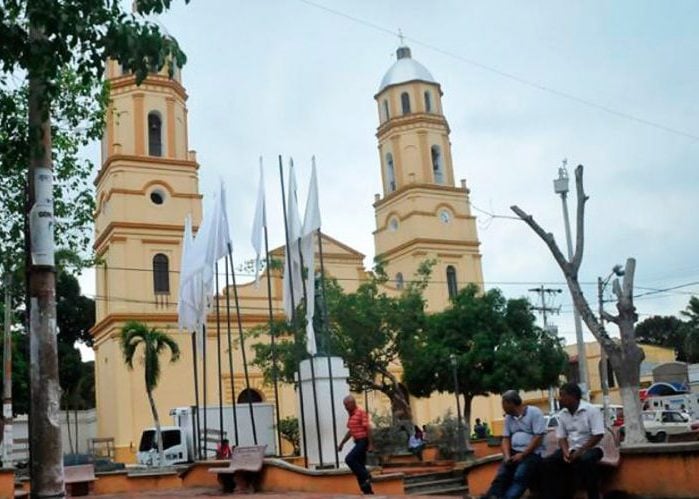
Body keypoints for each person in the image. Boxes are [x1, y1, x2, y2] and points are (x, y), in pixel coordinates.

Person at [542, 382, 606, 499]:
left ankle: (593, 495)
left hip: (593, 448)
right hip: (571, 448)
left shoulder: (591, 410)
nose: (560, 399)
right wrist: (566, 452)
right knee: (549, 463)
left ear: (573, 396)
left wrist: (580, 451)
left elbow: (598, 435)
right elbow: (561, 437)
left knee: (586, 461)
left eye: (563, 395)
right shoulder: (562, 414)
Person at [483, 390, 546, 499]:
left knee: (519, 476)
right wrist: (507, 456)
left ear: (510, 403)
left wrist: (523, 454)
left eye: (503, 403)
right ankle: (491, 496)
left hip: (532, 454)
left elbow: (538, 437)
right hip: (513, 452)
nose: (502, 407)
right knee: (502, 475)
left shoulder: (534, 413)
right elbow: (506, 438)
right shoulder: (508, 418)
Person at [338, 395, 374, 494]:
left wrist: (370, 444)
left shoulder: (361, 412)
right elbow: (350, 431)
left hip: (363, 441)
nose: (345, 407)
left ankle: (367, 476)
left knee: (349, 459)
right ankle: (367, 492)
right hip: (358, 441)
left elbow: (368, 428)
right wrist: (342, 443)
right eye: (344, 405)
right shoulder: (351, 415)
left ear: (353, 403)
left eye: (347, 405)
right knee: (359, 466)